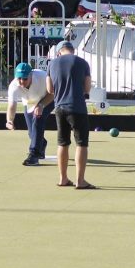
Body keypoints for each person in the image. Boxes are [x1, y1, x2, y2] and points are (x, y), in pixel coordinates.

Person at [47, 40, 94, 189]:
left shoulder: (52, 64)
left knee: (63, 143)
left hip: (60, 108)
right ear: (72, 51)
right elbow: (87, 88)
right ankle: (80, 181)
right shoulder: (83, 63)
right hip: (77, 107)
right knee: (81, 144)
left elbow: (50, 90)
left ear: (59, 51)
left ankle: (63, 178)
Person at [5, 61, 54, 166]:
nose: (22, 81)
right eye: (19, 78)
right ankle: (42, 144)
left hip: (47, 99)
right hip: (30, 103)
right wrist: (10, 120)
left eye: (25, 78)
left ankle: (34, 155)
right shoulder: (14, 86)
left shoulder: (42, 77)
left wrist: (41, 105)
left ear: (31, 75)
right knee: (32, 134)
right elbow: (12, 106)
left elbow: (52, 93)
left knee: (37, 119)